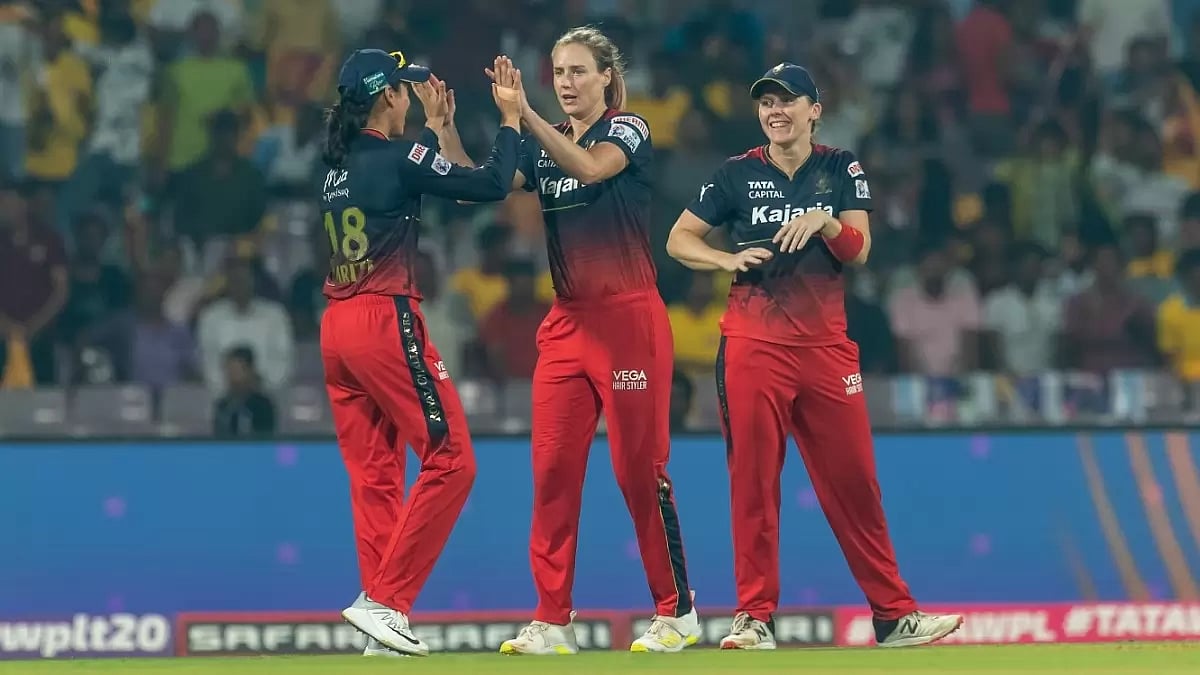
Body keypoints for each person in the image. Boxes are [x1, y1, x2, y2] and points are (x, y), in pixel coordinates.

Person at [664, 62, 964, 650]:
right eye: (767, 103)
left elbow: (859, 249)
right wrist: (725, 262)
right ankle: (754, 618)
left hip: (826, 349)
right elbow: (679, 239)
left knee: (854, 484)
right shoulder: (735, 175)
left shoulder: (840, 166)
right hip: (753, 346)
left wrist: (826, 220)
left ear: (814, 109)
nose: (776, 111)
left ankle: (894, 616)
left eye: (788, 101)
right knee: (753, 485)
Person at [470, 31, 700, 655]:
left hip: (628, 325)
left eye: (577, 72)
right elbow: (488, 184)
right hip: (567, 327)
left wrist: (527, 117)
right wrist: (443, 131)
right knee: (551, 471)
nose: (566, 82)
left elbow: (593, 167)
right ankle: (552, 620)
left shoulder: (630, 129)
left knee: (635, 469)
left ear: (606, 78)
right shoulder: (546, 146)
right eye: (557, 73)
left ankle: (676, 611)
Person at [318, 47, 522, 658]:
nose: (409, 96)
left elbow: (406, 174)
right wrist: (510, 119)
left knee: (377, 477)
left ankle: (380, 621)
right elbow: (488, 184)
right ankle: (386, 603)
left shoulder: (335, 164)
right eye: (403, 89)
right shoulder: (394, 157)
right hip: (385, 317)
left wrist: (433, 131)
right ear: (387, 97)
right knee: (453, 460)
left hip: (337, 329)